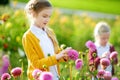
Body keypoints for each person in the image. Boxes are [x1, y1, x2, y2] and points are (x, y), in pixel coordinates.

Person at [22, 0, 71, 80]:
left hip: (55, 76)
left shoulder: (50, 32)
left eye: (49, 16)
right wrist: (56, 57)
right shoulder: (28, 37)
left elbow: (56, 53)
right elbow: (36, 64)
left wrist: (64, 55)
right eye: (44, 16)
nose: (47, 19)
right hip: (40, 77)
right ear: (33, 14)